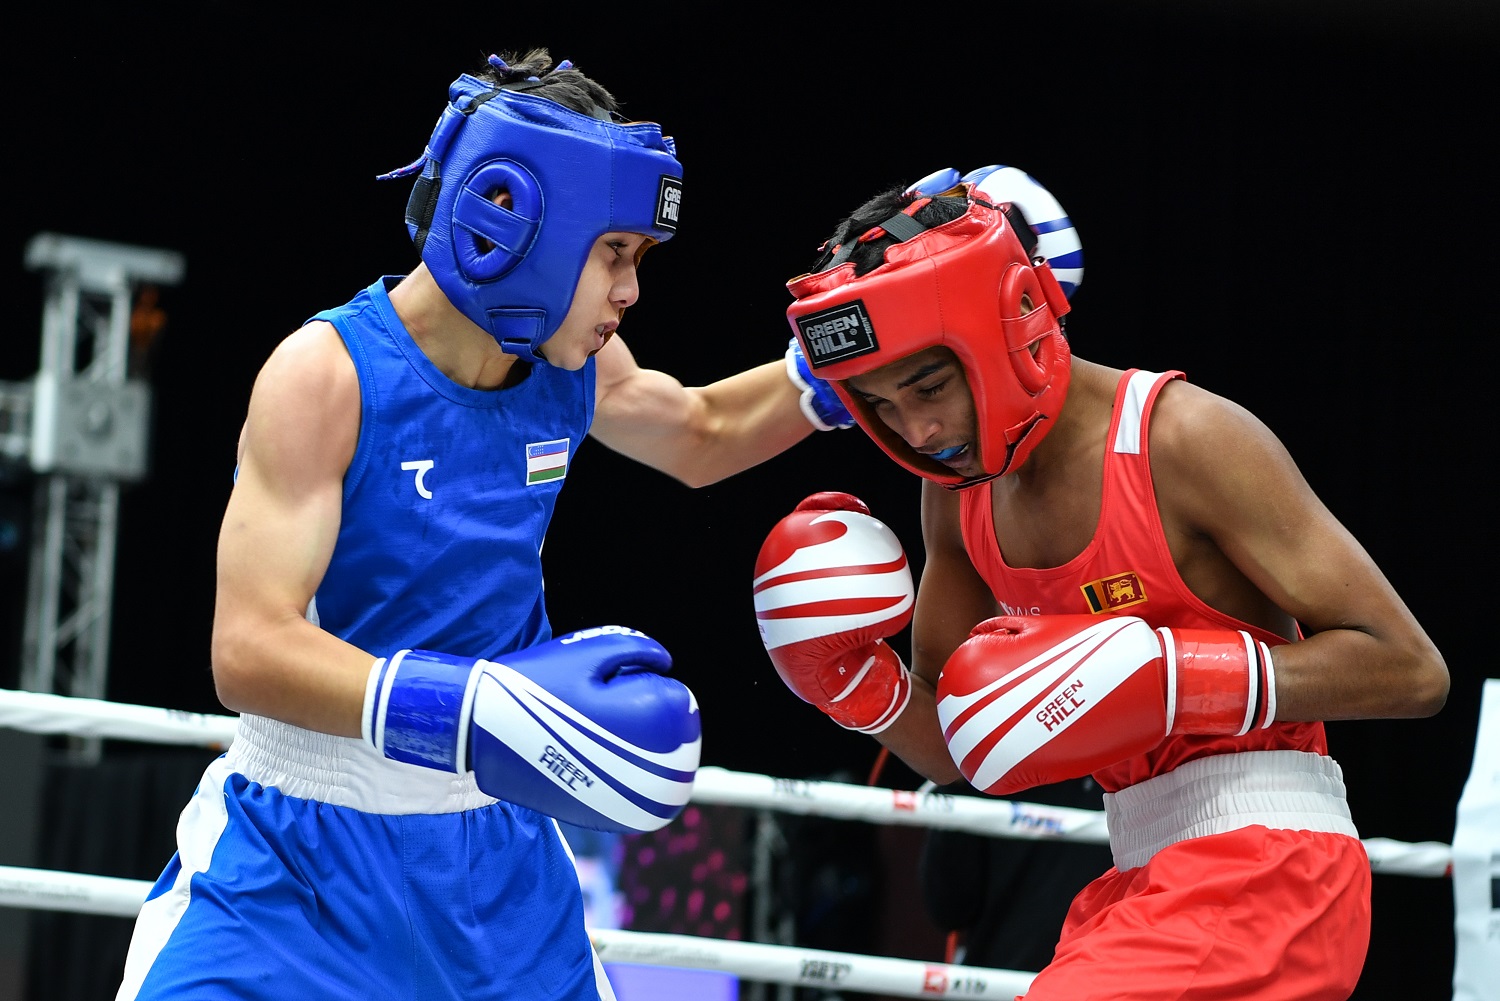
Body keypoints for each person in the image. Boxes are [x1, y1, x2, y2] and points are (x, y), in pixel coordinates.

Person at [112, 48, 834, 1001]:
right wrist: (473, 707)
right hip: (298, 862)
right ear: (519, 220)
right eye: (615, 253)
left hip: (498, 866)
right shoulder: (327, 374)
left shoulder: (569, 368)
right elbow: (247, 647)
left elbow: (700, 431)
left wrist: (836, 372)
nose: (630, 290)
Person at [751, 164, 1449, 999]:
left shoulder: (1184, 440)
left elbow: (1412, 670)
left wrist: (1177, 677)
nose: (920, 429)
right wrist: (857, 686)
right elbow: (958, 747)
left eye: (930, 385)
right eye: (882, 406)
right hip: (1140, 874)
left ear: (1010, 325)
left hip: (1271, 864)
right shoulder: (958, 494)